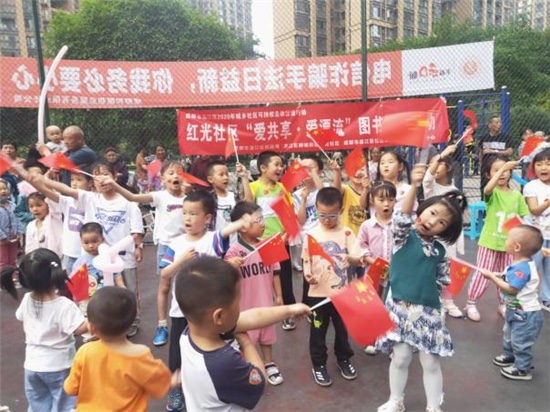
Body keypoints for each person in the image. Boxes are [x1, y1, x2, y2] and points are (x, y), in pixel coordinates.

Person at [376, 165, 467, 412]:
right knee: (401, 358)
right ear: (422, 209)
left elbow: (441, 282)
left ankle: (433, 406)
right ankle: (396, 400)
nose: (433, 221)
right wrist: (414, 186)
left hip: (428, 312)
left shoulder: (440, 251)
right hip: (399, 308)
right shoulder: (403, 236)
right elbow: (402, 217)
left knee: (431, 363)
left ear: (445, 230)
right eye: (432, 213)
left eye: (441, 222)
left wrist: (439, 311)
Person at [174, 256, 310, 411]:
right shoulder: (224, 362)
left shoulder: (191, 332)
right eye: (238, 303)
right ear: (219, 316)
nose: (240, 309)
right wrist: (246, 343)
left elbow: (253, 317)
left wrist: (290, 310)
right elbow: (260, 381)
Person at [158, 190, 252, 411]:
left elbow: (227, 230)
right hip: (182, 310)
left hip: (211, 311)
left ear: (208, 218)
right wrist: (181, 260)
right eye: (185, 213)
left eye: (194, 214)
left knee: (216, 346)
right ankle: (176, 389)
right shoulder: (176, 244)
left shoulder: (212, 239)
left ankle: (216, 382)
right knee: (178, 353)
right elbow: (165, 273)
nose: (187, 218)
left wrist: (242, 222)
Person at [38, 162, 144, 336]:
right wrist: (43, 179)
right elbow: (65, 190)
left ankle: (133, 320)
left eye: (105, 174)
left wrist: (139, 246)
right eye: (96, 176)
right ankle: (108, 322)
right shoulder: (89, 199)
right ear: (92, 182)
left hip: (124, 258)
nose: (101, 180)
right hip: (96, 259)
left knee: (128, 290)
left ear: (115, 176)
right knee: (99, 291)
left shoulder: (128, 202)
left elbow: (136, 229)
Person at [104, 160, 188, 347]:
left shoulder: (189, 198)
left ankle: (187, 323)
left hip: (186, 246)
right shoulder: (159, 196)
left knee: (186, 286)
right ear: (162, 178)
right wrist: (114, 185)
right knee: (165, 286)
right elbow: (133, 197)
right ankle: (162, 325)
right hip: (166, 246)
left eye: (179, 173)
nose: (176, 176)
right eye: (171, 173)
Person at [0, 248, 88, 412]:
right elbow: (79, 329)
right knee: (63, 405)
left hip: (33, 365)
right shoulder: (64, 305)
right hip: (60, 365)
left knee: (38, 405)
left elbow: (20, 316)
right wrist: (91, 321)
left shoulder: (27, 299)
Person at [64, 287, 172, 410]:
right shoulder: (140, 355)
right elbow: (160, 385)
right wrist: (175, 379)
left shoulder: (85, 352)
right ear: (131, 322)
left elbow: (70, 388)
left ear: (92, 328)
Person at [302, 187, 364, 387]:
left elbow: (358, 258)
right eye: (322, 215)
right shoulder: (311, 234)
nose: (327, 220)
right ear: (316, 210)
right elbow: (306, 259)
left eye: (332, 215)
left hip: (343, 293)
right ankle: (318, 364)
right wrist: (308, 275)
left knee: (342, 329)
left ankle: (343, 358)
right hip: (317, 293)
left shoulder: (347, 233)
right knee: (317, 331)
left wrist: (349, 258)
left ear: (341, 210)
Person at [225, 202, 284, 386]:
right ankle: (250, 367)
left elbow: (276, 272)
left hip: (265, 301)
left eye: (262, 219)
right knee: (247, 339)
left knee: (267, 335)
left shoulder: (267, 244)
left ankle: (269, 362)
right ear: (242, 227)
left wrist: (279, 296)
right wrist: (230, 265)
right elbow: (225, 276)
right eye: (258, 220)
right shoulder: (234, 251)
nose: (263, 224)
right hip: (245, 306)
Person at [464, 157, 530, 322]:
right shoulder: (492, 193)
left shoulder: (517, 196)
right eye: (496, 170)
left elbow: (523, 218)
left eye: (506, 170)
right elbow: (487, 189)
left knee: (506, 275)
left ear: (510, 173)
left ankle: (504, 304)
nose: (502, 173)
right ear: (489, 175)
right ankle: (471, 303)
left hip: (509, 245)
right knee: (483, 274)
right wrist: (503, 168)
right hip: (489, 242)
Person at [481, 225, 545, 381]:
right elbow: (509, 277)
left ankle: (523, 369)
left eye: (507, 239)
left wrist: (492, 278)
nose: (505, 240)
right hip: (515, 310)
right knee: (509, 335)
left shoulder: (522, 268)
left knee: (520, 341)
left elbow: (512, 289)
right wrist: (499, 275)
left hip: (526, 314)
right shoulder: (518, 263)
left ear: (517, 247)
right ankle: (510, 356)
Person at [250, 151, 296, 331]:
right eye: (276, 164)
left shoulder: (282, 188)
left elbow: (290, 215)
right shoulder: (253, 187)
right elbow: (247, 208)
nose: (280, 168)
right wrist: (244, 179)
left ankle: (288, 314)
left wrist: (285, 236)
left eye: (281, 165)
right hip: (260, 242)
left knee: (284, 281)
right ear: (262, 168)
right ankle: (261, 317)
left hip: (280, 241)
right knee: (262, 282)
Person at [422, 145, 465, 318]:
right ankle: (434, 300)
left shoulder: (456, 193)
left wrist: (458, 242)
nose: (434, 166)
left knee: (448, 269)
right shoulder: (431, 188)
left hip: (449, 239)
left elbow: (457, 221)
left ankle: (448, 301)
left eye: (439, 163)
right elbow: (427, 178)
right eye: (432, 163)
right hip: (433, 236)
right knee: (431, 268)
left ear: (448, 167)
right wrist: (442, 154)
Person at [24, 165, 93, 271]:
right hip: (69, 252)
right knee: (69, 279)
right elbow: (49, 193)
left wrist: (46, 181)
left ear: (91, 183)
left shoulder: (93, 200)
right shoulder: (68, 201)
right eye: (72, 179)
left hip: (88, 252)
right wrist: (43, 180)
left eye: (79, 180)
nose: (74, 183)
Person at [357, 181, 396, 355]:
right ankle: (371, 338)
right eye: (381, 200)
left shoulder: (399, 224)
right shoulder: (367, 225)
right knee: (373, 306)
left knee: (393, 307)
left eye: (390, 199)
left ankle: (392, 343)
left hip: (396, 274)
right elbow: (361, 245)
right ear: (373, 200)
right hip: (374, 272)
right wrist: (371, 260)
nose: (386, 204)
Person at [291, 155, 324, 299]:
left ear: (320, 171)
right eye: (303, 168)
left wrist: (314, 174)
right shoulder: (297, 195)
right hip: (308, 242)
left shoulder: (325, 189)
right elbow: (301, 221)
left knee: (326, 274)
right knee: (309, 277)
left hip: (325, 239)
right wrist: (304, 200)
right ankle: (309, 305)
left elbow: (325, 197)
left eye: (310, 168)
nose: (306, 171)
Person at [522, 147, 550, 310]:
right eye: (539, 164)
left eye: (548, 164)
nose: (543, 168)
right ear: (533, 167)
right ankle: (524, 297)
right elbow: (534, 210)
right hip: (535, 236)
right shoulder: (531, 186)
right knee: (532, 267)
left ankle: (546, 298)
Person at [206, 159, 252, 232]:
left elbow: (249, 204)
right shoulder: (207, 199)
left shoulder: (234, 196)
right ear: (210, 179)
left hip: (235, 238)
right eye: (221, 175)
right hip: (217, 238)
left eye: (227, 174)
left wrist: (244, 177)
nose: (226, 177)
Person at [477, 116, 512, 197]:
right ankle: (485, 202)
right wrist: (481, 163)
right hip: (487, 167)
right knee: (485, 186)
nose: (499, 124)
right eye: (496, 122)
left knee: (502, 185)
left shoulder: (505, 137)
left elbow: (509, 151)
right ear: (490, 125)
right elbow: (481, 152)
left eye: (500, 122)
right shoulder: (484, 137)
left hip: (501, 167)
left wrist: (494, 151)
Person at [25, 192, 63, 258]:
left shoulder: (54, 218)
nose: (35, 209)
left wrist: (43, 189)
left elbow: (55, 200)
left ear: (48, 205)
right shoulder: (30, 226)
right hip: (38, 261)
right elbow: (29, 247)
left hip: (57, 259)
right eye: (31, 206)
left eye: (39, 205)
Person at [0, 179, 22, 272]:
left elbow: (18, 219)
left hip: (13, 237)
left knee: (13, 258)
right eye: (0, 189)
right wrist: (2, 236)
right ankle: (3, 277)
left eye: (5, 188)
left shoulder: (13, 205)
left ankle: (13, 275)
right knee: (2, 260)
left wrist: (19, 232)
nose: (3, 191)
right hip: (2, 240)